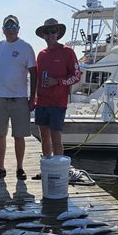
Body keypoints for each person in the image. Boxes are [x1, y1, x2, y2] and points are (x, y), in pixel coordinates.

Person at [32, 18, 80, 179]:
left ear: (58, 33)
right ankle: (46, 168)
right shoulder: (41, 54)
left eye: (53, 31)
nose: (50, 35)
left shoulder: (68, 52)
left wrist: (58, 81)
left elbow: (77, 75)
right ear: (43, 35)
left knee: (56, 138)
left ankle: (59, 171)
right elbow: (36, 78)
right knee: (44, 137)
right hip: (42, 102)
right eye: (47, 32)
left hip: (58, 103)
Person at [0, 15, 36, 180]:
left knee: (19, 135)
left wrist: (32, 97)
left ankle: (20, 168)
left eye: (13, 26)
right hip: (0, 98)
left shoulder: (26, 47)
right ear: (3, 30)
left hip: (20, 98)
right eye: (7, 27)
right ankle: (1, 167)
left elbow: (34, 72)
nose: (10, 30)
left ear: (18, 28)